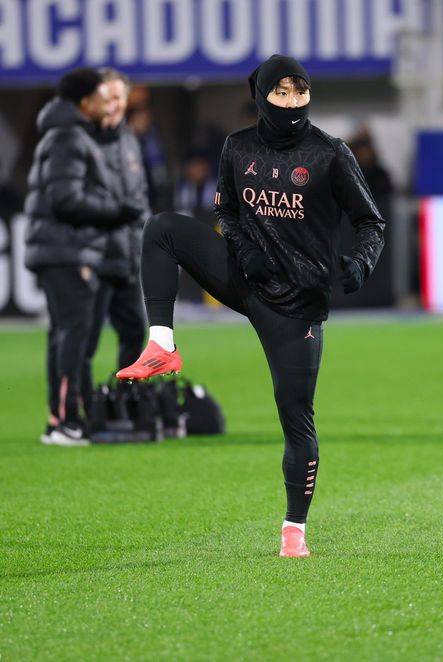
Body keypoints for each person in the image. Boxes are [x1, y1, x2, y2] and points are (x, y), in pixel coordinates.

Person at [116, 55, 385, 557]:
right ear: (262, 96)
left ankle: (294, 530)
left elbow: (371, 222)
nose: (292, 102)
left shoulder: (330, 153)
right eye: (281, 92)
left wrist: (362, 263)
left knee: (296, 418)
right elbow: (228, 212)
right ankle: (161, 344)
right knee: (162, 229)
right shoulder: (237, 147)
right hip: (247, 279)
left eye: (300, 92)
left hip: (297, 305)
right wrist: (246, 253)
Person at [24, 67, 144, 446]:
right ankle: (65, 421)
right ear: (85, 101)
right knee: (74, 336)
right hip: (68, 250)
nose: (107, 105)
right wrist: (117, 211)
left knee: (67, 335)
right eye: (101, 97)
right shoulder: (69, 136)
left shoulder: (70, 133)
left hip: (69, 248)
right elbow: (66, 199)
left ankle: (63, 419)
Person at [80, 68, 150, 415]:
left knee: (135, 333)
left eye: (119, 96)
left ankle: (125, 406)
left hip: (126, 257)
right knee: (84, 341)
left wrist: (144, 245)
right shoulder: (78, 140)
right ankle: (79, 411)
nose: (114, 104)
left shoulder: (128, 139)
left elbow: (140, 198)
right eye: (107, 97)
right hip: (93, 257)